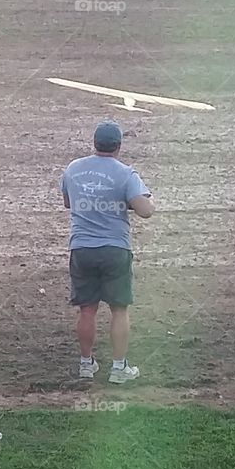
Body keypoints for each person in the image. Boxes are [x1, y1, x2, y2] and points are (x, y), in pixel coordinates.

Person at [60, 120, 154, 383]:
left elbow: (69, 201)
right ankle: (118, 367)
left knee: (87, 310)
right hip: (114, 249)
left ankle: (86, 364)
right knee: (119, 309)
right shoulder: (125, 174)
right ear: (119, 146)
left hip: (81, 248)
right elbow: (145, 211)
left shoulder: (73, 169)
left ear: (94, 143)